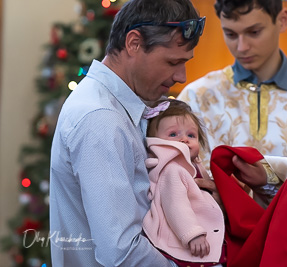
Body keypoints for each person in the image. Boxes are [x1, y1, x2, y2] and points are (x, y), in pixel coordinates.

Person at [49, 0, 205, 265]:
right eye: (172, 62)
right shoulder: (101, 119)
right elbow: (121, 253)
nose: (182, 76)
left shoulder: (121, 105)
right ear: (134, 43)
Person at [177, 0, 287, 203]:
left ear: (282, 20)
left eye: (254, 32)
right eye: (231, 34)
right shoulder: (196, 98)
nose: (242, 47)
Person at [143, 99, 226, 266]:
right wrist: (192, 234)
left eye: (191, 135)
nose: (184, 140)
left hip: (204, 233)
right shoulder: (171, 169)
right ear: (155, 141)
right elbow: (175, 205)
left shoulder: (192, 166)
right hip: (187, 237)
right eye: (173, 134)